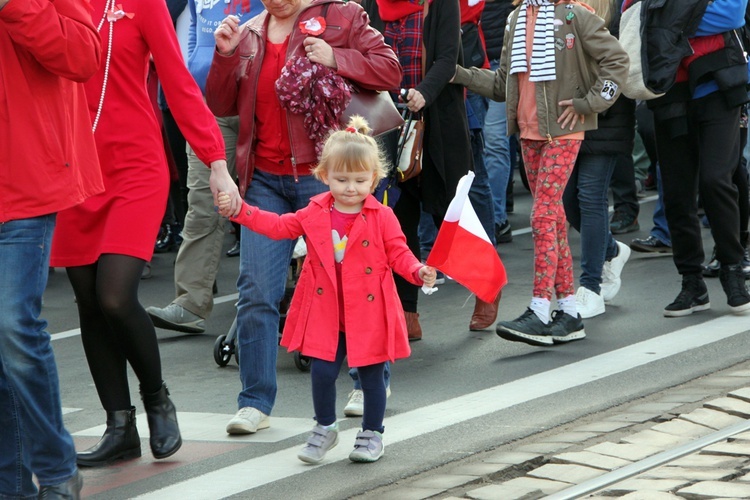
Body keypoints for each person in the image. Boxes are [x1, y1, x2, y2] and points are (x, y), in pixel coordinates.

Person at [49, 0, 242, 467]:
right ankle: (119, 426)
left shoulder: (143, 4)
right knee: (89, 303)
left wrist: (216, 161)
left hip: (135, 167)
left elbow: (178, 82)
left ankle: (157, 400)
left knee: (115, 295)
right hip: (73, 170)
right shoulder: (51, 5)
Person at [205, 0, 401, 435]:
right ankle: (254, 401)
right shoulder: (251, 32)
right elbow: (221, 104)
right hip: (265, 179)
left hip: (330, 180)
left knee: (355, 285)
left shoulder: (342, 16)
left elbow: (390, 71)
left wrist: (338, 57)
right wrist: (223, 55)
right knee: (257, 289)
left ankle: (368, 384)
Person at [218, 116, 436, 464]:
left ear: (375, 179)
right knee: (321, 372)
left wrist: (418, 270)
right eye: (342, 179)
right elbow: (277, 226)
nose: (351, 188)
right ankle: (324, 428)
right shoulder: (315, 211)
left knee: (371, 377)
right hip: (327, 308)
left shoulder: (382, 216)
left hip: (368, 309)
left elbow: (399, 253)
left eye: (360, 180)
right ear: (324, 176)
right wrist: (242, 211)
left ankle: (372, 433)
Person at [452, 0, 628, 346]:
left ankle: (539, 308)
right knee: (554, 217)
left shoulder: (575, 15)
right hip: (528, 132)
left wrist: (588, 104)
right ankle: (569, 313)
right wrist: (459, 75)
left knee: (544, 214)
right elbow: (504, 85)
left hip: (563, 132)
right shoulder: (516, 17)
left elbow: (617, 62)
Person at [0, 0, 101, 498]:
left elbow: (83, 56)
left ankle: (57, 469)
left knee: (13, 325)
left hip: (24, 181)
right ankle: (11, 484)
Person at [360, 0, 474, 340]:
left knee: (448, 217)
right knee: (399, 220)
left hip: (436, 122)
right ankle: (407, 311)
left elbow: (447, 56)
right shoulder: (371, 3)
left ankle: (486, 289)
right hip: (389, 124)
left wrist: (423, 93)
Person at [146, 0, 262, 334]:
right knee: (201, 203)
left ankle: (271, 300)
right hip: (208, 109)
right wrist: (194, 72)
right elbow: (196, 32)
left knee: (263, 200)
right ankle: (189, 303)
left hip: (255, 103)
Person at [640, 0, 750, 317]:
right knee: (676, 191)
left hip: (718, 85)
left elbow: (730, 14)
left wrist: (668, 22)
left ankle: (732, 268)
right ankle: (692, 283)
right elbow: (636, 16)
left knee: (717, 179)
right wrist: (674, 21)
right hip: (668, 88)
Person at [561, 0, 634, 318]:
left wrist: (589, 103)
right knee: (569, 202)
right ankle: (612, 250)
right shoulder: (564, 12)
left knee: (590, 198)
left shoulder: (615, 14)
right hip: (571, 120)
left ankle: (590, 287)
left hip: (606, 121)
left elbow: (619, 66)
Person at [481, 0, 517, 244]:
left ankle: (496, 218)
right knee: (480, 145)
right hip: (469, 62)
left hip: (500, 65)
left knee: (494, 142)